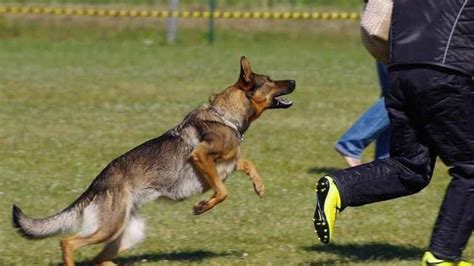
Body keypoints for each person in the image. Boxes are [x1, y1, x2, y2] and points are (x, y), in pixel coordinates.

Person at [313, 1, 474, 265]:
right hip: (445, 73)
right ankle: (442, 256)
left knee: (410, 167)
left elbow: (374, 18)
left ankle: (341, 188)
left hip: (400, 72)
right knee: (471, 167)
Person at [335, 62, 390, 167]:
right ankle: (352, 143)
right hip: (406, 48)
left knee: (393, 93)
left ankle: (383, 163)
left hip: (391, 47)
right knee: (400, 95)